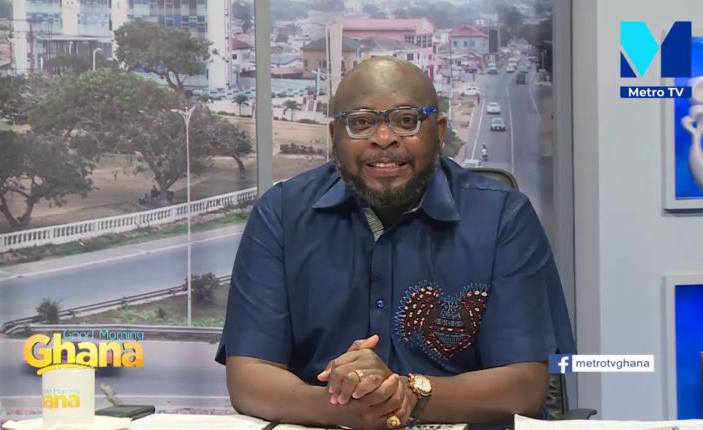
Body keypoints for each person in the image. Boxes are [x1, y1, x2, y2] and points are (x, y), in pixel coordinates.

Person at [216, 57, 575, 429]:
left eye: (406, 120)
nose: (384, 138)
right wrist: (345, 408)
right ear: (335, 135)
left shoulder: (503, 216)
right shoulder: (282, 213)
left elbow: (525, 386)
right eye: (361, 122)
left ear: (439, 131)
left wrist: (407, 394)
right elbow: (249, 378)